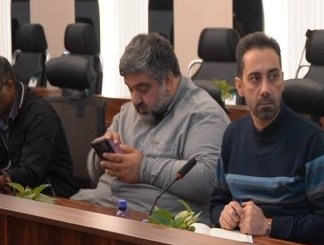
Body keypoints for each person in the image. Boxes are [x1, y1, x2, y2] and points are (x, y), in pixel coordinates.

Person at [72, 33, 229, 220]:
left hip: (156, 225)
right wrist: (104, 156)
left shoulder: (203, 114)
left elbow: (208, 180)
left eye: (143, 89)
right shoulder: (128, 112)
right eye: (130, 89)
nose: (135, 99)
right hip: (103, 210)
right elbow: (93, 173)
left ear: (168, 81)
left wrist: (142, 169)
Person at [209, 32, 324, 245]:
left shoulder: (312, 141)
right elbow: (217, 202)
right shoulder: (232, 136)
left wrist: (269, 225)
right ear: (239, 86)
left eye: (273, 77)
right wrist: (223, 215)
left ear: (282, 81)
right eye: (255, 79)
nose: (265, 89)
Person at [0, 57, 76, 197]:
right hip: (15, 194)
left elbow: (30, 173)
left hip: (51, 195)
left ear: (10, 86)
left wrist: (4, 179)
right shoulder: (3, 111)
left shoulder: (41, 116)